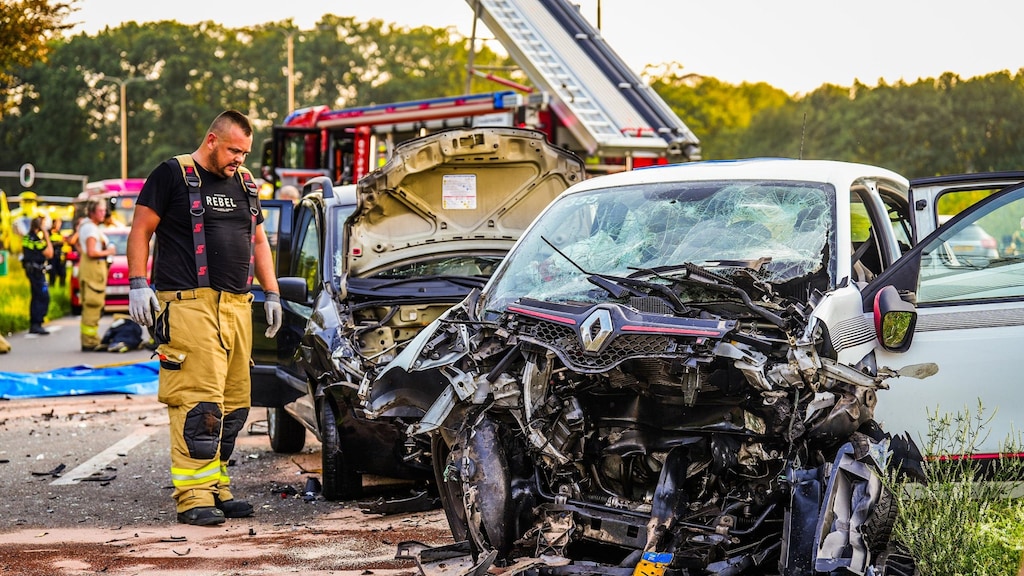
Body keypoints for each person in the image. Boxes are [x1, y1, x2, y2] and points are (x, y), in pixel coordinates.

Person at [127, 110, 282, 527]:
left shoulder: (245, 183)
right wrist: (138, 281)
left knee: (233, 406)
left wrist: (273, 293)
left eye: (245, 152)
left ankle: (216, 486)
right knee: (198, 402)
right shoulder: (172, 174)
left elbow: (259, 240)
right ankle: (192, 495)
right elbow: (141, 229)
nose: (239, 159)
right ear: (212, 140)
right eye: (234, 150)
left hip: (235, 306)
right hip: (189, 305)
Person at [77, 198, 117, 350]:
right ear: (92, 212)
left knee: (91, 304)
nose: (104, 213)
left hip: (90, 268)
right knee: (93, 304)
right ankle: (90, 341)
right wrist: (109, 251)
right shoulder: (91, 229)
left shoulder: (87, 226)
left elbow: (79, 245)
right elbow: (92, 251)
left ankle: (90, 338)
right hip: (93, 269)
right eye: (100, 210)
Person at [21, 215, 54, 335]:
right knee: (43, 296)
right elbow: (50, 253)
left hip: (30, 271)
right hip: (37, 272)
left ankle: (34, 323)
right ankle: (37, 323)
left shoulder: (26, 237)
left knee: (36, 296)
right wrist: (46, 235)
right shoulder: (36, 239)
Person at [48, 218, 67, 287]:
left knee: (62, 272)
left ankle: (62, 287)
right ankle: (51, 285)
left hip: (60, 255)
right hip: (52, 255)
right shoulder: (49, 232)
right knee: (52, 272)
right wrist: (58, 243)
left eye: (60, 223)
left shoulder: (59, 233)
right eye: (58, 223)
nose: (59, 225)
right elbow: (47, 244)